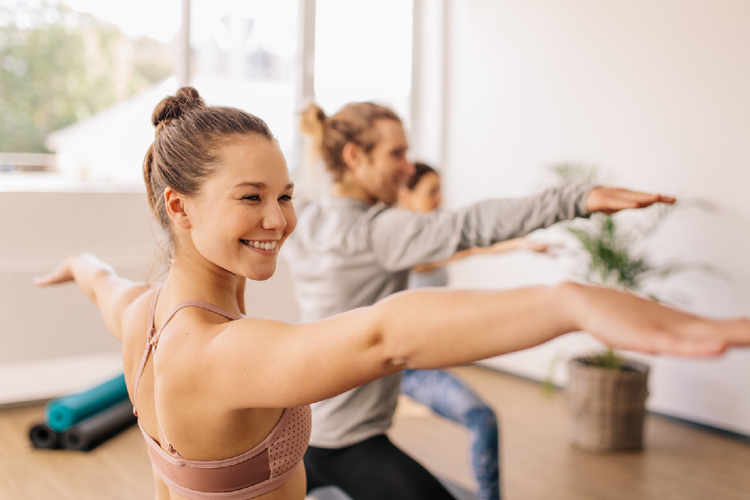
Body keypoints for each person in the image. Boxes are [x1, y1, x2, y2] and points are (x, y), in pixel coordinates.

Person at [35, 88, 750, 500]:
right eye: (250, 197)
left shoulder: (141, 312)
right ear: (180, 206)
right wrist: (568, 303)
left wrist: (78, 260)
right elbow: (386, 334)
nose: (280, 219)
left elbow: (102, 278)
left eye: (284, 195)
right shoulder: (226, 353)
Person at [285, 101, 744, 500]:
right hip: (347, 440)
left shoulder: (303, 214)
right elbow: (471, 224)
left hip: (302, 424)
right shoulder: (376, 230)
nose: (409, 166)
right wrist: (575, 198)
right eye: (397, 153)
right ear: (353, 156)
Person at [397, 161, 557, 500]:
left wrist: (518, 243)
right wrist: (516, 244)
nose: (440, 199)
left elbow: (464, 247)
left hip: (419, 363)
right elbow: (461, 248)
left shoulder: (428, 236)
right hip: (396, 367)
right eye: (432, 191)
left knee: (483, 420)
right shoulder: (401, 243)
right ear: (405, 194)